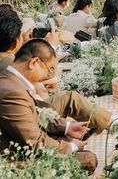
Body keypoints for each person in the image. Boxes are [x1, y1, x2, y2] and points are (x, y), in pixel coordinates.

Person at [0, 10, 112, 135]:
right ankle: (111, 124)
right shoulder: (8, 61)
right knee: (71, 98)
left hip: (25, 110)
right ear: (16, 41)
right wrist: (50, 47)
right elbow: (49, 73)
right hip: (30, 113)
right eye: (20, 35)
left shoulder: (5, 57)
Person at [0, 39, 98, 173]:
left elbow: (33, 114)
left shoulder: (10, 80)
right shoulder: (11, 92)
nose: (47, 76)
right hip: (14, 161)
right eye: (48, 69)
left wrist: (66, 127)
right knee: (89, 159)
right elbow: (35, 143)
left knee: (65, 138)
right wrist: (72, 147)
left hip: (22, 143)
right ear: (34, 62)